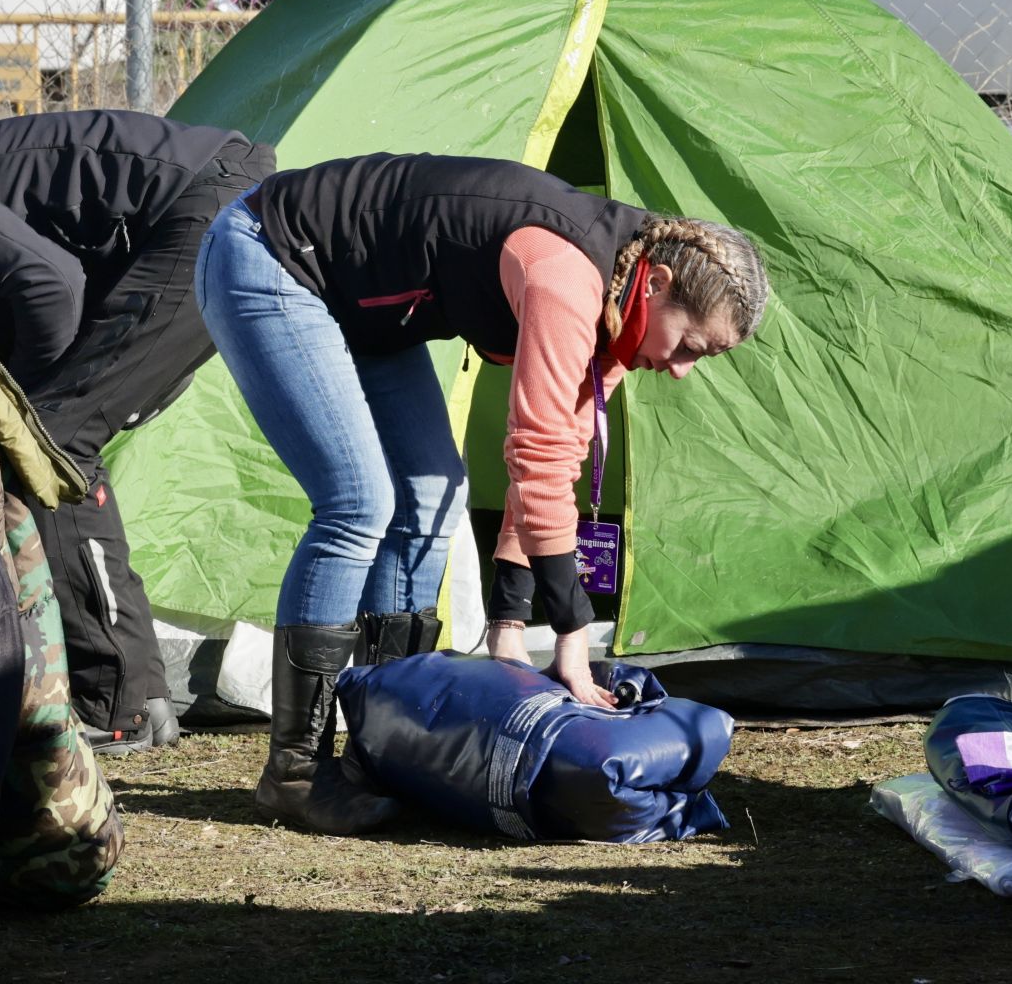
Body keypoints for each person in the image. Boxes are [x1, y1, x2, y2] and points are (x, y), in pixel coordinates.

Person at [194, 152, 768, 833]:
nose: (679, 372)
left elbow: (557, 460)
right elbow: (538, 449)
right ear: (658, 283)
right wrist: (572, 633)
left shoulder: (618, 309)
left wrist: (508, 622)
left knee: (434, 493)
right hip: (273, 253)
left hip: (374, 309)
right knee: (358, 504)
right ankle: (295, 773)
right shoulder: (568, 274)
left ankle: (387, 744)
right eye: (689, 347)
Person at [0, 109, 276, 754]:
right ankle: (140, 694)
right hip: (207, 215)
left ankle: (111, 703)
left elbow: (50, 287)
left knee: (50, 447)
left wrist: (24, 412)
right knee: (62, 450)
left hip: (212, 209)